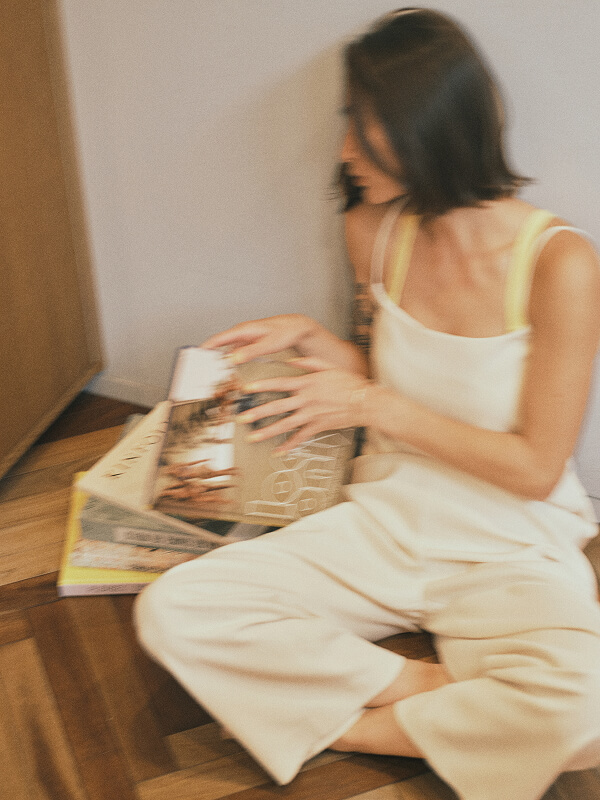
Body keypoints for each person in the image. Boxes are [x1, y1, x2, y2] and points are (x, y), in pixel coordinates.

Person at [134, 9, 600, 799]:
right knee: (175, 608)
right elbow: (399, 381)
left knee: (589, 706)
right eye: (348, 120)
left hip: (510, 546)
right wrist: (320, 346)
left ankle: (357, 725)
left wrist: (368, 402)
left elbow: (533, 466)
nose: (345, 148)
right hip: (385, 521)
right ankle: (425, 690)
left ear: (431, 124)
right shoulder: (375, 231)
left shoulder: (560, 262)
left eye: (365, 123)